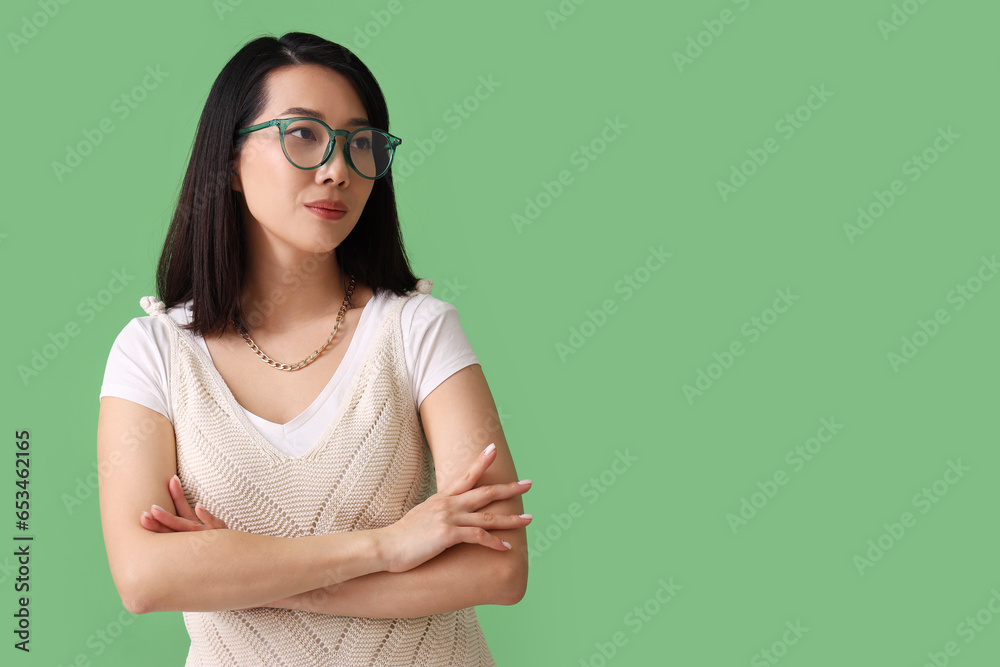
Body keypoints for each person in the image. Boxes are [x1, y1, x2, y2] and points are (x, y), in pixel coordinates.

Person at [96, 32, 530, 665]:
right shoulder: (154, 352)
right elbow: (145, 578)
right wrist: (388, 546)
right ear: (230, 161)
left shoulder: (418, 330)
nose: (337, 169)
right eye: (302, 134)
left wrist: (248, 576)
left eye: (360, 144)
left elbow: (499, 569)